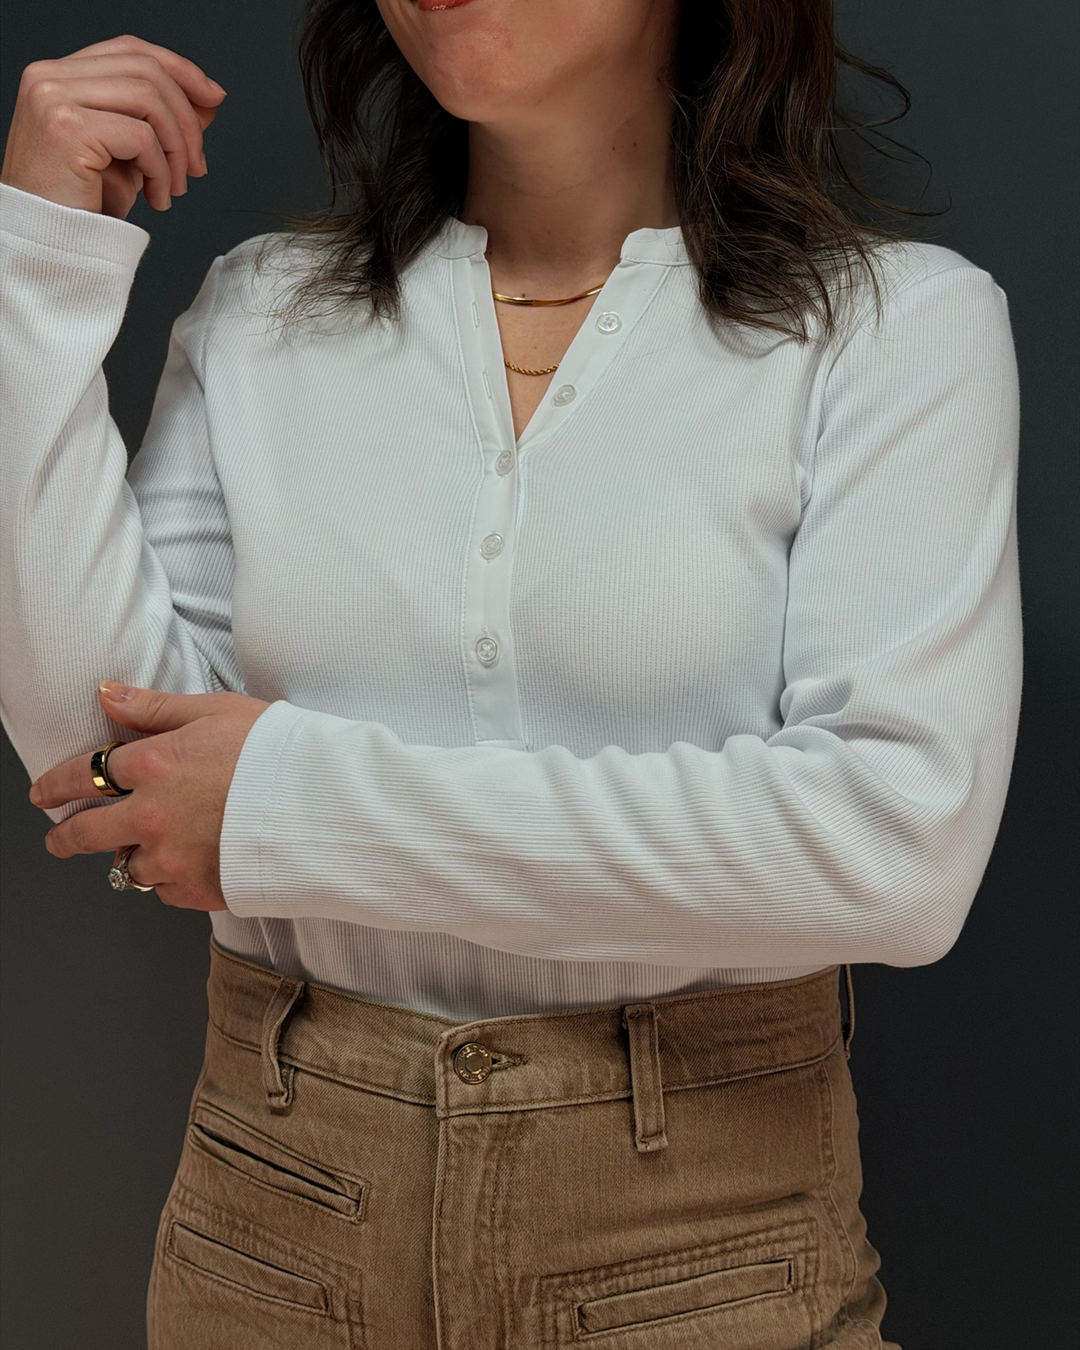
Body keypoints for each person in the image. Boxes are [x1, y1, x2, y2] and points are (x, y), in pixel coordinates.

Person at [0, 2, 1020, 1347]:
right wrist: (33, 269)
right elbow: (107, 760)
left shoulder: (891, 330)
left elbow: (892, 848)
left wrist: (299, 809)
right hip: (276, 1227)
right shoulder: (262, 311)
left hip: (700, 1248)